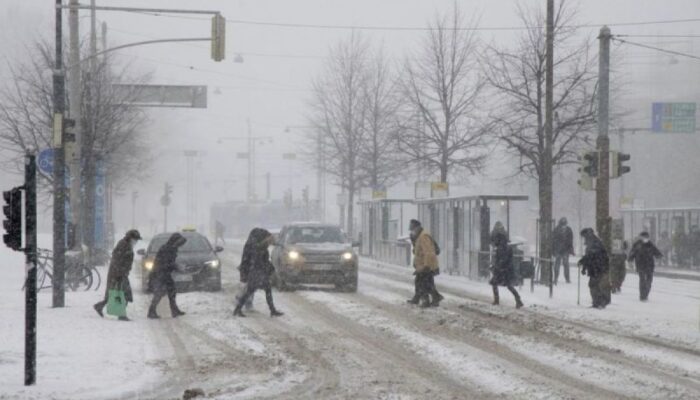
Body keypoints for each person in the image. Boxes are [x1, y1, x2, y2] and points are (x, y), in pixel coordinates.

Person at [93, 229, 142, 321]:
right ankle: (121, 314)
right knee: (123, 293)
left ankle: (100, 306)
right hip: (119, 274)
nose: (136, 242)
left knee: (116, 292)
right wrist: (119, 273)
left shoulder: (126, 245)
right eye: (135, 239)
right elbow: (117, 260)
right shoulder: (124, 245)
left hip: (120, 273)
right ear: (130, 238)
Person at [234, 228, 283, 317]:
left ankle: (272, 310)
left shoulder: (261, 247)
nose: (270, 243)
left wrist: (269, 268)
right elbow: (258, 261)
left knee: (264, 290)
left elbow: (264, 260)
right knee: (249, 291)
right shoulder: (257, 248)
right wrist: (266, 268)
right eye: (269, 240)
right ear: (265, 238)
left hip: (259, 273)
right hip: (256, 274)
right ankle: (238, 309)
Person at [147, 233, 187, 319]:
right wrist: (176, 267)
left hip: (164, 273)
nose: (179, 245)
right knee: (160, 293)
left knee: (171, 291)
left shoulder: (171, 248)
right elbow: (165, 263)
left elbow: (168, 262)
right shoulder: (167, 249)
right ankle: (152, 311)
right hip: (160, 273)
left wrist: (175, 266)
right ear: (174, 241)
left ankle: (174, 310)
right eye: (179, 243)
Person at [406, 219, 443, 308]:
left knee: (421, 283)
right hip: (423, 265)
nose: (412, 231)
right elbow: (417, 251)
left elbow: (428, 252)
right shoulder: (419, 237)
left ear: (417, 228)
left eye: (413, 229)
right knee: (427, 283)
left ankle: (426, 300)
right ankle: (435, 298)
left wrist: (426, 265)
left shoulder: (423, 237)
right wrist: (413, 241)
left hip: (426, 265)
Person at [489, 227, 524, 309]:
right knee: (509, 286)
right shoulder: (507, 247)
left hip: (502, 270)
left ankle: (497, 300)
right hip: (507, 270)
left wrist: (496, 267)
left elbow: (501, 260)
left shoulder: (501, 248)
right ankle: (518, 299)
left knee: (495, 283)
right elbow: (505, 259)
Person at [578, 228, 611, 309]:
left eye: (583, 236)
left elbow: (590, 256)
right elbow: (589, 256)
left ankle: (600, 302)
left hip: (598, 267)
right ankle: (598, 302)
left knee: (595, 284)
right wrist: (584, 267)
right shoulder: (593, 242)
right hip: (596, 267)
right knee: (595, 284)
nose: (583, 238)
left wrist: (583, 262)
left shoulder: (594, 243)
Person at [628, 232, 662, 301]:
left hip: (650, 265)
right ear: (641, 237)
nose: (645, 239)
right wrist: (630, 261)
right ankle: (642, 296)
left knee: (649, 281)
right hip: (640, 265)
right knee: (642, 280)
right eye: (644, 237)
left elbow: (657, 252)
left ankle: (645, 293)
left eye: (647, 237)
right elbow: (632, 253)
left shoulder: (650, 244)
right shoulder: (637, 244)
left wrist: (659, 257)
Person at [552, 217, 574, 284]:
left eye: (565, 224)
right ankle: (556, 278)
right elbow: (553, 240)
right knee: (558, 265)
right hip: (559, 250)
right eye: (563, 224)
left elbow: (570, 241)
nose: (564, 226)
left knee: (565, 265)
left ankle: (566, 278)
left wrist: (570, 249)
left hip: (564, 250)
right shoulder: (557, 230)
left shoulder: (567, 230)